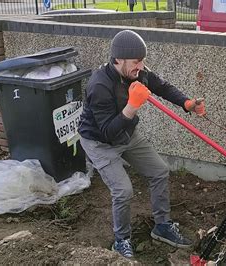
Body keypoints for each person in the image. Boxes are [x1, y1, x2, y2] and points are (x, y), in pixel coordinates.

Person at [78, 30, 206, 259]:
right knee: (123, 191)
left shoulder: (138, 72)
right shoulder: (99, 85)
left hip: (127, 134)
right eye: (136, 61)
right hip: (100, 143)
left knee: (159, 171)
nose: (141, 66)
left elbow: (162, 86)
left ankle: (162, 226)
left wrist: (186, 103)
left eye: (142, 61)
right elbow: (107, 131)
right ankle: (121, 241)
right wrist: (131, 106)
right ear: (118, 59)